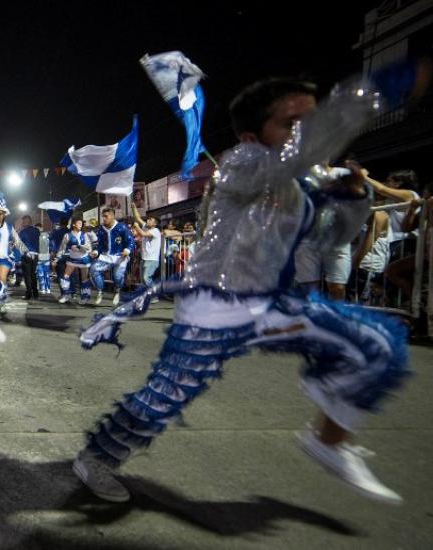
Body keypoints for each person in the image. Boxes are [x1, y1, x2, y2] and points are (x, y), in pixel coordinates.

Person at [74, 73, 418, 504]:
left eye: (310, 122)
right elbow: (295, 156)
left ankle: (328, 439)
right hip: (213, 307)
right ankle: (97, 457)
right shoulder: (241, 163)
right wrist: (383, 86)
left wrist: (351, 198)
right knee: (162, 399)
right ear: (253, 135)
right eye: (292, 124)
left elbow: (333, 238)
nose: (305, 133)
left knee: (379, 345)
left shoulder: (300, 183)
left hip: (270, 304)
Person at [89, 207, 135, 305]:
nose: (104, 219)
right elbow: (100, 244)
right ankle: (100, 292)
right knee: (94, 269)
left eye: (106, 216)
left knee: (117, 276)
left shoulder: (122, 227)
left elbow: (131, 240)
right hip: (106, 257)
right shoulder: (101, 229)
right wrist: (96, 252)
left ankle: (118, 291)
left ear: (113, 216)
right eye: (103, 217)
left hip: (120, 257)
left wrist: (127, 249)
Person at [56, 218, 93, 304]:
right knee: (65, 276)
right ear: (73, 224)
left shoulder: (85, 235)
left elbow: (89, 248)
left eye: (81, 223)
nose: (81, 225)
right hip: (72, 259)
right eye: (79, 223)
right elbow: (62, 248)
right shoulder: (67, 235)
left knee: (84, 279)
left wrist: (79, 248)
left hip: (84, 259)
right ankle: (66, 295)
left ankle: (85, 297)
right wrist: (57, 258)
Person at [130, 205, 162, 299]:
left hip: (152, 259)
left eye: (150, 220)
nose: (148, 220)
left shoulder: (155, 231)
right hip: (145, 258)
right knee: (144, 280)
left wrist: (136, 227)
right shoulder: (146, 227)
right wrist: (133, 208)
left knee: (146, 278)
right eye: (148, 219)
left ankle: (154, 296)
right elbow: (138, 218)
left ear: (155, 223)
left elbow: (143, 234)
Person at [17, 215, 40, 299]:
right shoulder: (37, 231)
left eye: (23, 221)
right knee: (33, 274)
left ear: (26, 221)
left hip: (27, 254)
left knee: (27, 275)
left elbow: (19, 244)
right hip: (36, 255)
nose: (22, 223)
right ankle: (35, 293)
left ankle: (28, 293)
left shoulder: (22, 232)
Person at [34, 223, 52, 294]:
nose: (37, 230)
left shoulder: (45, 235)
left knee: (45, 274)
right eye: (36, 229)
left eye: (38, 228)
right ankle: (43, 288)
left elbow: (46, 245)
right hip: (40, 258)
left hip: (45, 257)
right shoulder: (38, 236)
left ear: (41, 228)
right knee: (41, 274)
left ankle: (46, 288)